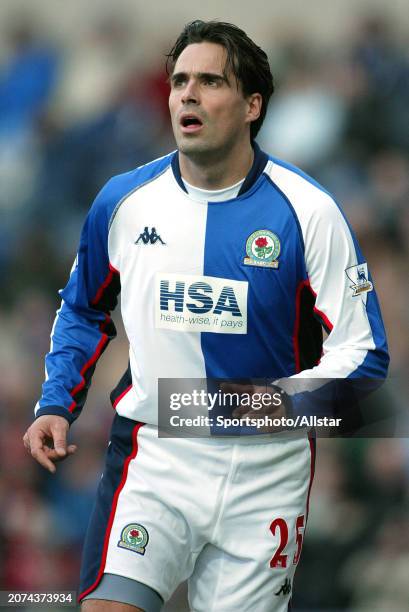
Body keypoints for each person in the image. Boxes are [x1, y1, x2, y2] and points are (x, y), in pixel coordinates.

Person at [23, 20, 389, 612]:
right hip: (154, 458)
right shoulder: (122, 202)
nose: (187, 94)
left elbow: (365, 356)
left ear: (252, 105)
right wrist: (56, 403)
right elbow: (84, 308)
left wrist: (260, 406)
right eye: (179, 81)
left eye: (210, 81)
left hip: (266, 475)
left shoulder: (309, 212)